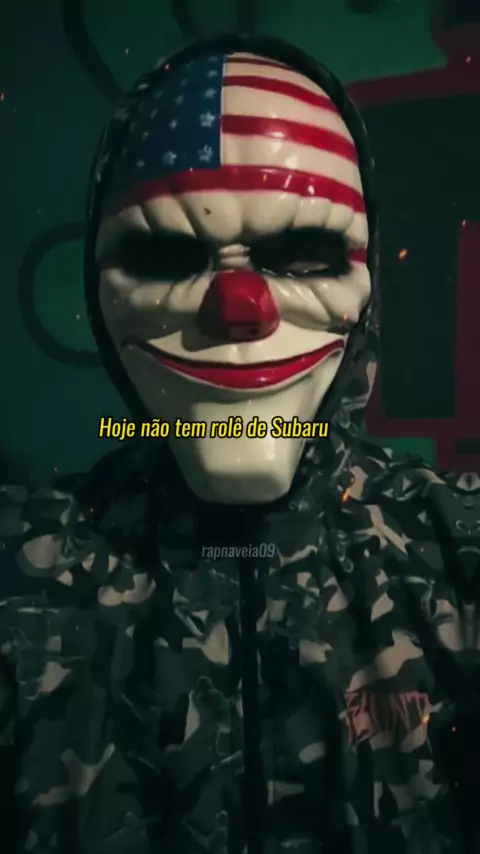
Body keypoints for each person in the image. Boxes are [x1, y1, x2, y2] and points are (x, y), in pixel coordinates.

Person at [0, 32, 477, 854]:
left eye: (302, 254)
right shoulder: (21, 578)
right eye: (167, 255)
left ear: (365, 288)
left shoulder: (457, 556)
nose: (241, 307)